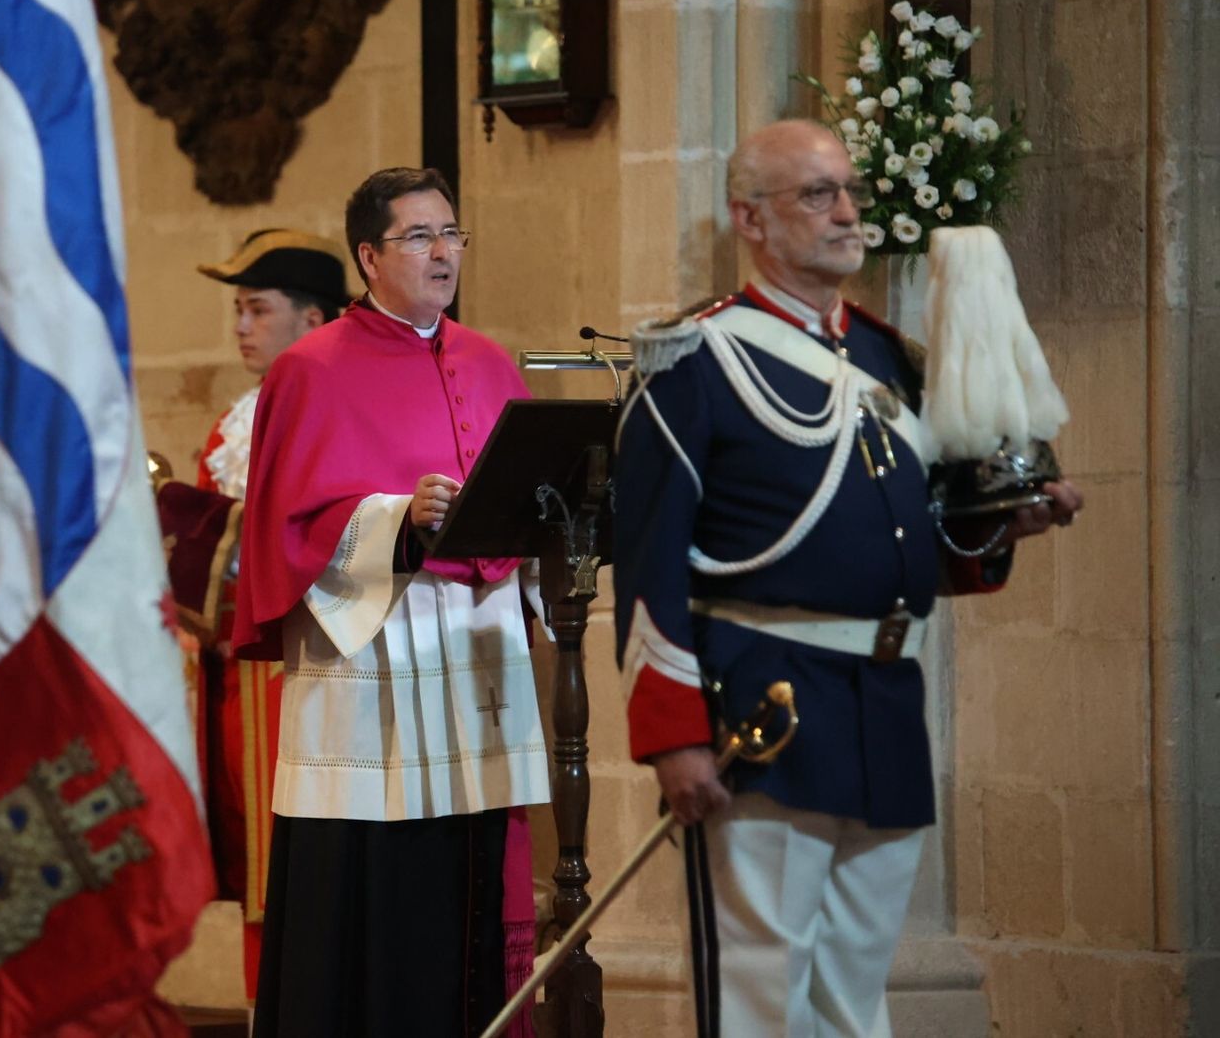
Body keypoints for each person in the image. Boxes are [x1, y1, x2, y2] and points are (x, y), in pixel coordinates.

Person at [612, 119, 1083, 1036]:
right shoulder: (698, 361)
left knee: (854, 997)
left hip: (880, 704)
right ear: (750, 218)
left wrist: (1004, 526)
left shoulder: (887, 361)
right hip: (765, 703)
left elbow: (914, 549)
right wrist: (673, 735)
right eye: (816, 194)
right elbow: (648, 559)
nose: (846, 213)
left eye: (849, 191)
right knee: (762, 991)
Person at [232, 167, 548, 1038]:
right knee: (377, 884)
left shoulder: (487, 360)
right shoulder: (308, 370)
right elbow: (286, 527)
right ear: (368, 256)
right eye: (419, 236)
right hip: (373, 651)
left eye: (451, 233)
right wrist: (396, 519)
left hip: (479, 650)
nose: (442, 251)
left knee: (474, 872)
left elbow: (528, 501)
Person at [161, 229, 349, 1000]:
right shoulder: (233, 423)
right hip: (243, 680)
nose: (240, 326)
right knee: (258, 879)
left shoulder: (340, 403)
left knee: (320, 877)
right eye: (238, 309)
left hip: (319, 671)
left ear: (313, 319)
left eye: (256, 308)